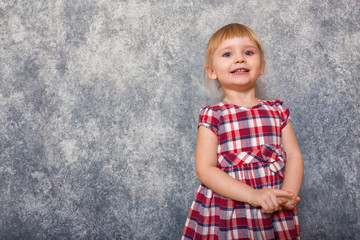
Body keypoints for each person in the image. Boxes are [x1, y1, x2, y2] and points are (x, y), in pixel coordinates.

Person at [182, 23, 304, 240]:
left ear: (262, 66)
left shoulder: (277, 111)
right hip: (229, 211)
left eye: (248, 52)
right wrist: (252, 195)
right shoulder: (213, 114)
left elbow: (294, 155)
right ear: (212, 71)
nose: (239, 58)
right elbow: (205, 169)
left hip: (273, 207)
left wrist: (288, 194)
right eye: (227, 54)